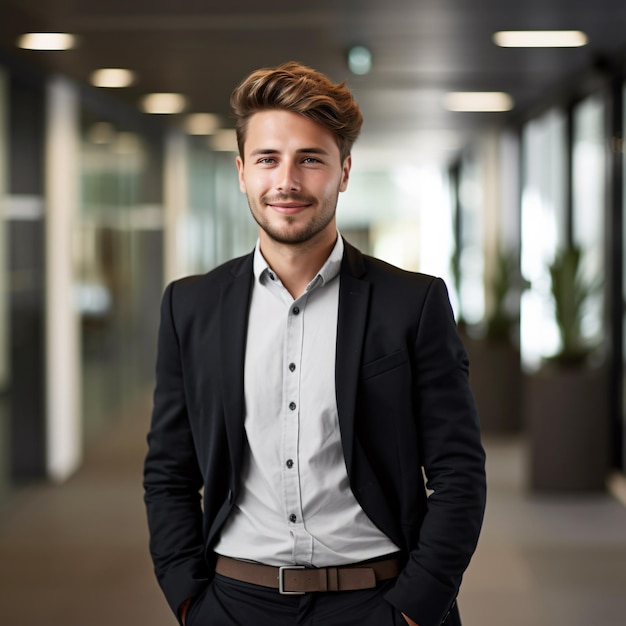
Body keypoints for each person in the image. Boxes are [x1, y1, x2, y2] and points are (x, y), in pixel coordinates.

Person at [143, 61, 486, 626]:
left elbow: (459, 470)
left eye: (310, 159)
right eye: (267, 159)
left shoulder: (413, 302)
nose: (287, 181)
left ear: (344, 171)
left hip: (378, 601)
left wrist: (417, 607)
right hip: (233, 604)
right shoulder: (191, 306)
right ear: (241, 171)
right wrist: (189, 598)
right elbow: (169, 471)